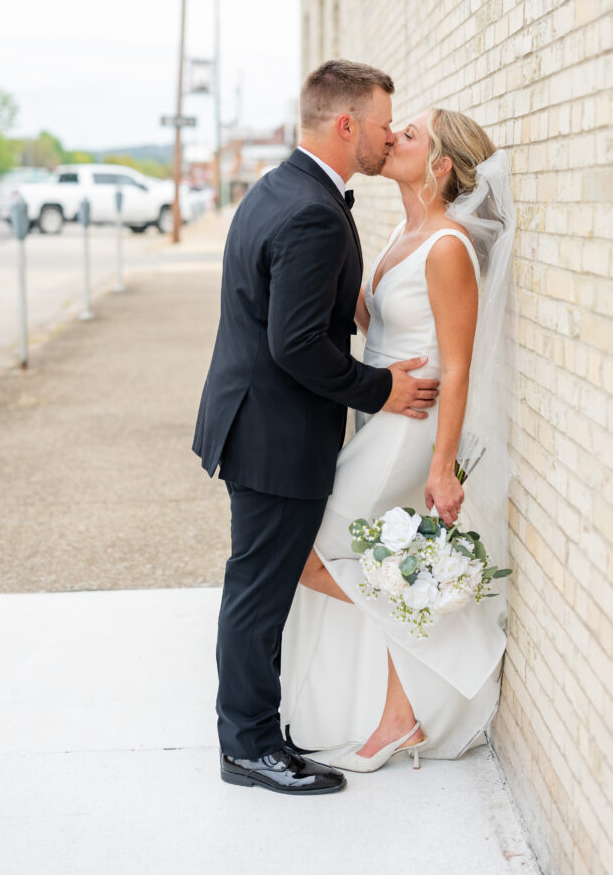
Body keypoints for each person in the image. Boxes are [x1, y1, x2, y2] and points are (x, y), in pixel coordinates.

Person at [192, 60, 441, 795]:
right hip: (274, 436)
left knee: (258, 586)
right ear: (344, 126)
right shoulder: (309, 210)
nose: (388, 135)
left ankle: (255, 734)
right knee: (258, 593)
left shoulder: (280, 188)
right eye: (381, 123)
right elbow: (295, 343)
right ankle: (248, 748)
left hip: (254, 424)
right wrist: (384, 389)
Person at [280, 109, 515, 771]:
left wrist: (442, 468)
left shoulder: (445, 247)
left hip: (411, 427)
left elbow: (458, 365)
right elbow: (371, 313)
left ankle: (455, 635)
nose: (393, 139)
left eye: (409, 135)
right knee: (359, 555)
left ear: (439, 166)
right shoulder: (402, 233)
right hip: (377, 414)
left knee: (309, 551)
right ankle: (397, 709)